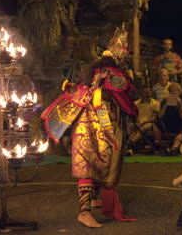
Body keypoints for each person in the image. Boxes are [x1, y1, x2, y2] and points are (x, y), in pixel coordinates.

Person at [41, 25, 138, 228]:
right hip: (95, 123)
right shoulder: (108, 72)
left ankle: (93, 200)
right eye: (124, 54)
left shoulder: (96, 71)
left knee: (97, 161)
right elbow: (123, 88)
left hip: (96, 121)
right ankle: (84, 212)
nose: (125, 57)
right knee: (94, 163)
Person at [156, 83, 182, 153]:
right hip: (167, 124)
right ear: (169, 92)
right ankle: (159, 145)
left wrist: (180, 103)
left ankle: (174, 148)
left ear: (179, 92)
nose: (175, 92)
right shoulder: (165, 100)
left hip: (179, 123)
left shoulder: (181, 101)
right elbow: (160, 116)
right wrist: (166, 104)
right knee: (155, 123)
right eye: (172, 91)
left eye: (176, 91)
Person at [128, 87, 161, 151]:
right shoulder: (136, 103)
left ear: (151, 93)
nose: (146, 94)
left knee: (143, 127)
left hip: (149, 123)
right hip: (138, 122)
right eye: (145, 92)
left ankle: (130, 143)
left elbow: (154, 117)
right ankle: (130, 145)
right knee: (132, 127)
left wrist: (144, 122)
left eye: (148, 92)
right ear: (141, 93)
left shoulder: (156, 103)